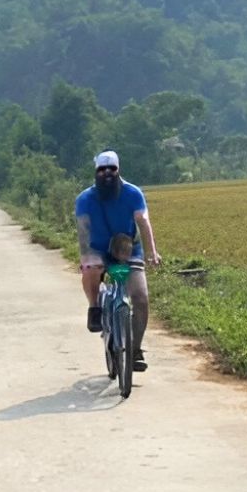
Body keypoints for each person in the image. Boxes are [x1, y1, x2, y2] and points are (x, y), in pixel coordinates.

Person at [76, 150, 161, 372]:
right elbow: (83, 230)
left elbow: (143, 221)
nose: (107, 174)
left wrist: (152, 251)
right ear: (95, 172)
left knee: (141, 299)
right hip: (98, 250)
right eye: (101, 170)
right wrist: (86, 256)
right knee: (90, 268)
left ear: (118, 170)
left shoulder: (133, 193)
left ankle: (135, 350)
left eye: (111, 169)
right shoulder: (85, 199)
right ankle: (95, 308)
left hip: (128, 249)